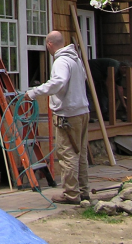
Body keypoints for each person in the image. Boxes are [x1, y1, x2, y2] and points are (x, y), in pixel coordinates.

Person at [24, 31, 89, 205]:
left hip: (68, 114)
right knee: (80, 153)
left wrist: (33, 93)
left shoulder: (61, 61)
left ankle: (71, 193)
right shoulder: (75, 59)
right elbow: (82, 79)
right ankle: (83, 191)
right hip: (82, 111)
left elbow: (58, 82)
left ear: (50, 44)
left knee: (67, 154)